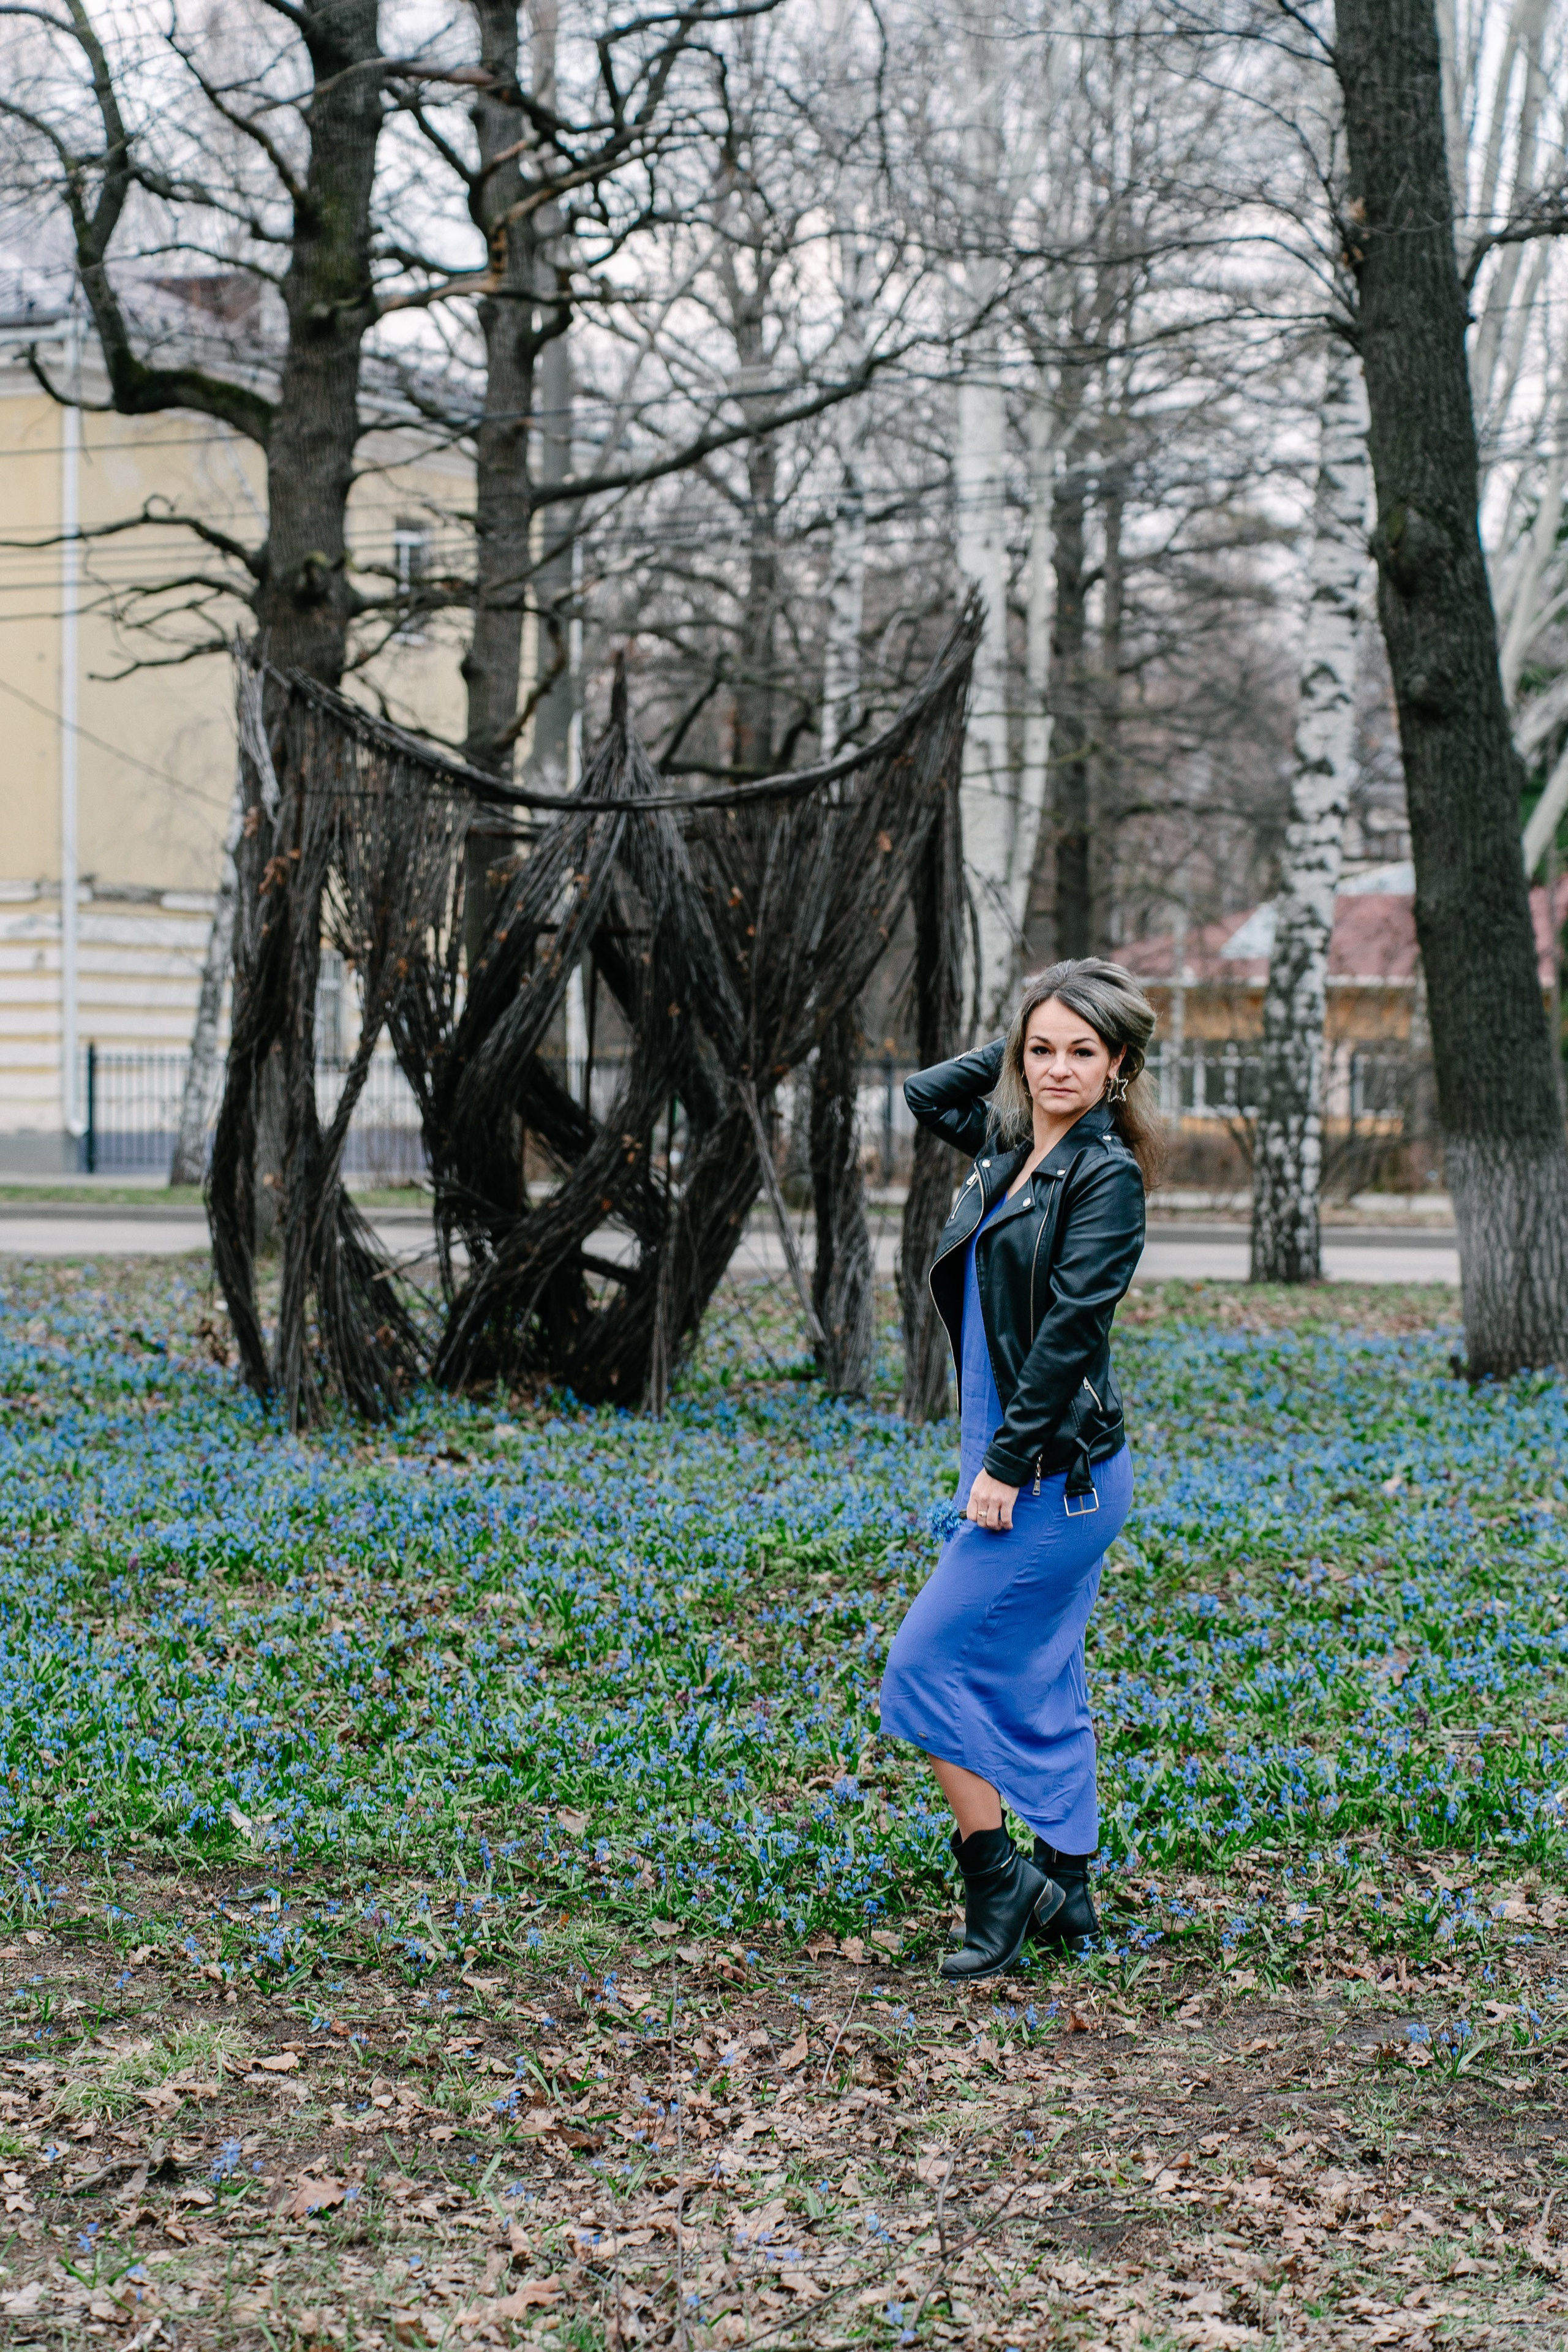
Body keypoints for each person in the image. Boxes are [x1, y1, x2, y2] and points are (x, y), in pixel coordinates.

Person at [880, 958, 1160, 1981]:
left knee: (923, 1666)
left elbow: (1072, 1335)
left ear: (1118, 1064)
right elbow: (924, 1094)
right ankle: (1071, 1888)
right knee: (1043, 1672)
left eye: (1082, 1052)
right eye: (1041, 1050)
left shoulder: (1105, 1177)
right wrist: (1028, 1018)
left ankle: (1002, 1880)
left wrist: (1003, 1466)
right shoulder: (1008, 1146)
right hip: (1025, 1461)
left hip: (1056, 1473)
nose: (1056, 1069)